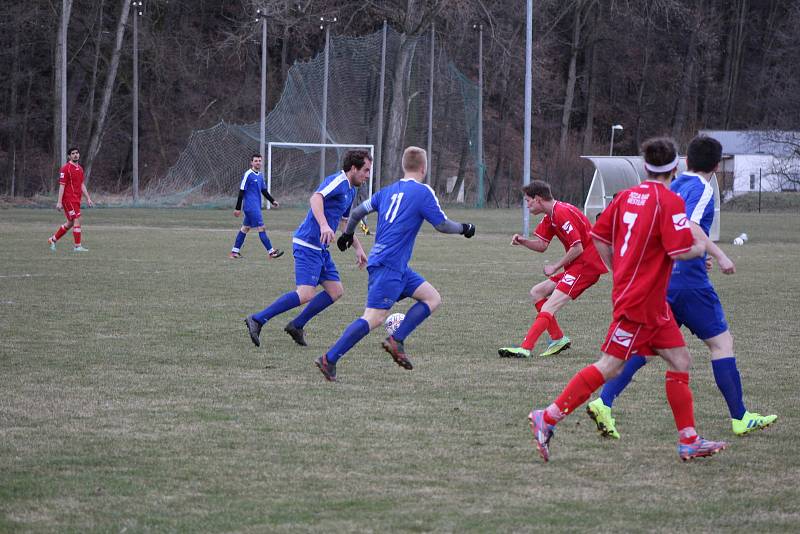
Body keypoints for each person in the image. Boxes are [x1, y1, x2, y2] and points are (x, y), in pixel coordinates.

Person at [528, 137, 727, 462]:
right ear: (674, 167)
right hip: (640, 302)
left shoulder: (625, 197)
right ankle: (547, 417)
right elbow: (680, 250)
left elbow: (598, 236)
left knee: (680, 361)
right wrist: (703, 249)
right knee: (609, 365)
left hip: (652, 303)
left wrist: (619, 267)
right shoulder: (669, 201)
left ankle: (688, 439)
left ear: (645, 166)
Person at [587, 135, 777, 438]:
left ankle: (604, 401)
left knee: (649, 348)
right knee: (721, 344)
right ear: (717, 165)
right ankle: (740, 417)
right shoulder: (702, 187)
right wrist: (718, 254)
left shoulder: (672, 184)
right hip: (688, 281)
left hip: (664, 279)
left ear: (686, 160)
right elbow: (690, 224)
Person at [315, 146, 475, 382]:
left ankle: (396, 339)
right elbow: (441, 225)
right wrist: (465, 228)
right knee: (373, 318)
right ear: (424, 167)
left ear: (403, 166)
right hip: (389, 266)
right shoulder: (423, 192)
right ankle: (329, 359)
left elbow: (358, 212)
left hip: (394, 265)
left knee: (432, 298)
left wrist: (348, 234)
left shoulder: (387, 191)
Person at [244, 150, 371, 348]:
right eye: (365, 170)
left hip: (320, 248)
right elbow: (316, 198)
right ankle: (258, 319)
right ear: (353, 168)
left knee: (336, 291)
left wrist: (358, 247)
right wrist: (323, 225)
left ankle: (297, 325)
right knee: (305, 294)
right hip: (307, 243)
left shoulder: (351, 190)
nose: (367, 175)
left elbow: (344, 223)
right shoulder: (338, 181)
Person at [498, 181, 608, 358]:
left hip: (587, 266)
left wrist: (555, 266)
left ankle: (525, 348)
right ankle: (558, 339)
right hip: (577, 266)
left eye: (528, 201)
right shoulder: (551, 215)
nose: (527, 205)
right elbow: (542, 245)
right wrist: (523, 241)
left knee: (550, 305)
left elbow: (578, 247)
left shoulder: (562, 213)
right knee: (537, 292)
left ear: (538, 199)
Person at [230, 154, 283, 259]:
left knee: (245, 228)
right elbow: (241, 191)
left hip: (256, 206)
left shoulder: (260, 175)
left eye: (259, 160)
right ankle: (271, 252)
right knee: (261, 228)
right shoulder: (248, 174)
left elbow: (263, 190)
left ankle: (234, 252)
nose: (258, 162)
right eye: (256, 161)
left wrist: (272, 201)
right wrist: (237, 208)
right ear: (251, 162)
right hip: (250, 207)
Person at [48, 147, 93, 252]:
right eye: (73, 153)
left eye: (77, 153)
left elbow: (81, 184)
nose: (75, 155)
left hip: (77, 199)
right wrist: (59, 202)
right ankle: (77, 246)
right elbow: (62, 186)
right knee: (77, 219)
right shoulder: (65, 169)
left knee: (70, 223)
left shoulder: (80, 169)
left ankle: (53, 239)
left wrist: (88, 198)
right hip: (68, 199)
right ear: (69, 156)